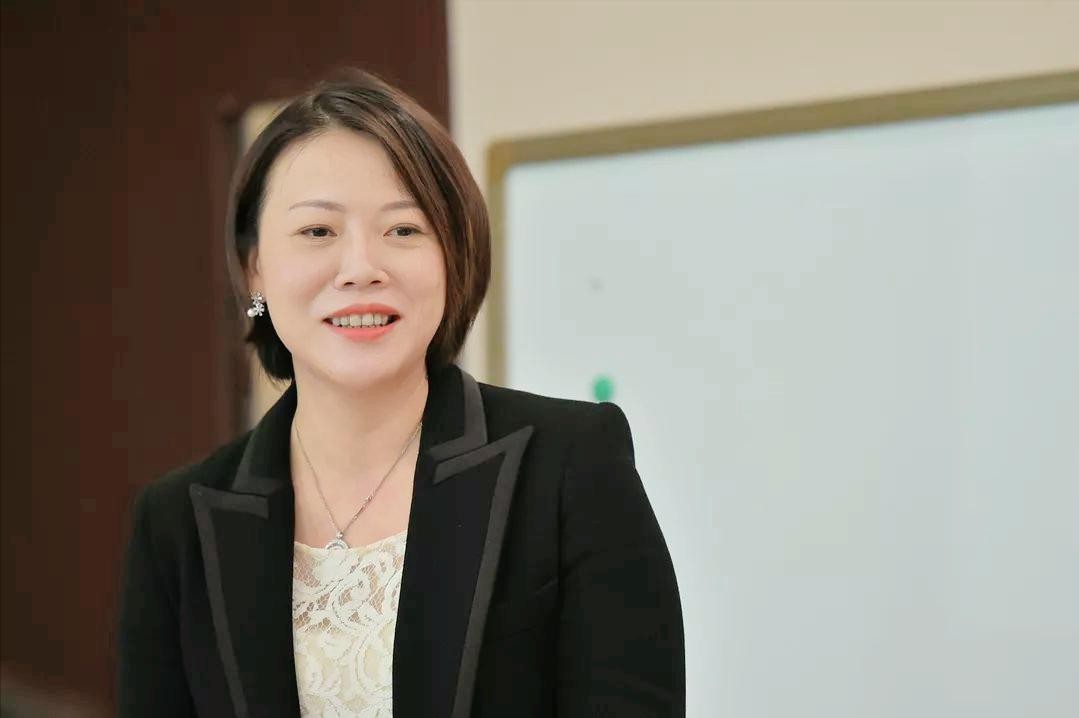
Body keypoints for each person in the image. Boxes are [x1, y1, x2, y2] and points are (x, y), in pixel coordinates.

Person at [115, 68, 685, 717]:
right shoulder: (176, 524)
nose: (361, 268)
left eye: (403, 230)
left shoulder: (569, 464)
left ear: (452, 255)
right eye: (317, 232)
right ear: (255, 269)